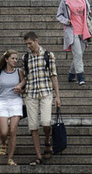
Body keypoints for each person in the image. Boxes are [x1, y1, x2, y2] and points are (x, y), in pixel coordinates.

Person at [22, 31, 61, 165]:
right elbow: (26, 77)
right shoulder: (25, 57)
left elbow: (53, 76)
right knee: (33, 126)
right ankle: (39, 156)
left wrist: (58, 96)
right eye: (26, 44)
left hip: (46, 92)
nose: (28, 46)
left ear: (36, 40)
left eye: (30, 43)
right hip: (31, 94)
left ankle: (47, 141)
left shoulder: (48, 55)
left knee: (46, 122)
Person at [56, 0, 92, 86]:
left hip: (84, 30)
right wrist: (66, 21)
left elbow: (88, 12)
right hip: (72, 31)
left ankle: (71, 75)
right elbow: (59, 15)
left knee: (79, 54)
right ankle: (80, 77)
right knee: (77, 54)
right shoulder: (65, 1)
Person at [0, 50, 25, 166]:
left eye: (16, 59)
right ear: (6, 59)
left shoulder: (19, 72)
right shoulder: (0, 73)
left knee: (13, 130)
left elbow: (24, 88)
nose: (15, 61)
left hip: (16, 101)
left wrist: (21, 90)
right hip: (2, 102)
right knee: (4, 131)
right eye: (13, 58)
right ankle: (3, 143)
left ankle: (10, 158)